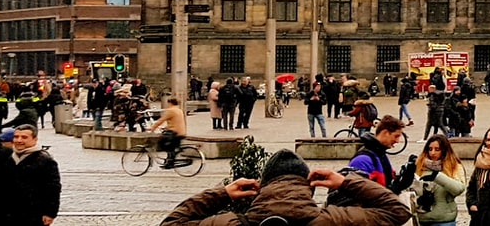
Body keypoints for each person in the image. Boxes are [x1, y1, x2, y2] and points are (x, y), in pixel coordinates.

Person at [162, 149, 409, 226]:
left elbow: (172, 223)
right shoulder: (334, 220)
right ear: (309, 187)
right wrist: (345, 182)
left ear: (262, 186)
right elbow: (396, 211)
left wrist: (223, 193)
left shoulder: (229, 223)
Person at [6, 125, 61, 226]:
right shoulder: (9, 158)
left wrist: (50, 213)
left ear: (35, 139)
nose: (19, 140)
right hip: (10, 212)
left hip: (34, 213)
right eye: (16, 137)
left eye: (24, 137)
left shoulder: (45, 160)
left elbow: (53, 188)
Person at [408, 136, 467, 226]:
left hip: (444, 219)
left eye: (437, 149)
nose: (433, 153)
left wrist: (437, 177)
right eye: (430, 149)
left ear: (444, 150)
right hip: (421, 218)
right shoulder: (419, 165)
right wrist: (418, 200)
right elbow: (408, 191)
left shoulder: (454, 166)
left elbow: (459, 189)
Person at [347, 115, 406, 187]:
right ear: (385, 133)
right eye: (396, 136)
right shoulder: (362, 160)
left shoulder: (380, 154)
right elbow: (358, 191)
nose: (397, 141)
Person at [150, 96, 189, 168]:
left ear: (170, 103)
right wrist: (166, 128)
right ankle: (169, 162)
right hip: (181, 132)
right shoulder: (179, 110)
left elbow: (161, 120)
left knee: (162, 143)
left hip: (174, 133)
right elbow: (175, 122)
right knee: (171, 146)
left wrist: (152, 128)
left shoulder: (171, 110)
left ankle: (171, 159)